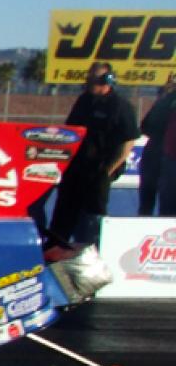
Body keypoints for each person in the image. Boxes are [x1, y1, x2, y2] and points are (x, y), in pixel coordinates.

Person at [46, 62, 139, 248]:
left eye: (94, 79)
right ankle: (55, 250)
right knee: (63, 213)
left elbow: (128, 142)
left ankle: (91, 251)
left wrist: (107, 172)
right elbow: (71, 130)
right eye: (88, 78)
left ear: (107, 80)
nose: (89, 83)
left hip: (99, 170)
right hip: (76, 167)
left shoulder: (120, 106)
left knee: (92, 218)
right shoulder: (84, 101)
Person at [138, 74, 176, 215]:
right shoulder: (166, 100)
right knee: (149, 203)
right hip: (157, 154)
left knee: (166, 207)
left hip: (168, 159)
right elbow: (145, 126)